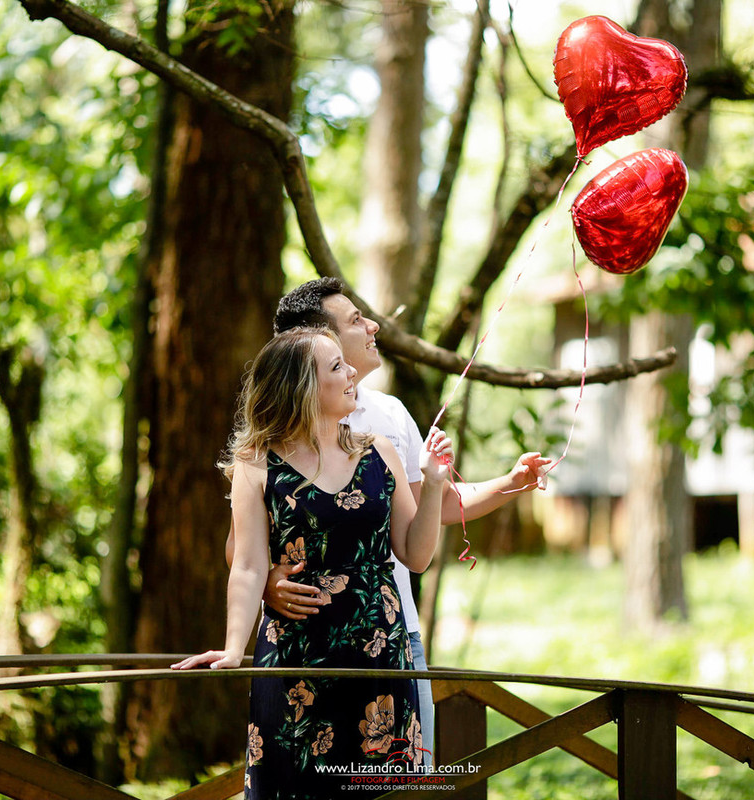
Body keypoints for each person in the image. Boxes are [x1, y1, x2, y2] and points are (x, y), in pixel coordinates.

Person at [237, 277, 552, 757]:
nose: (373, 326)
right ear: (317, 341)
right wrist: (267, 583)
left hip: (389, 631)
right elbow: (243, 547)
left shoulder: (388, 416)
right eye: (355, 320)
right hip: (302, 640)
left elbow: (432, 505)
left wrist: (513, 481)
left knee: (400, 774)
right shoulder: (280, 428)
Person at [172, 327, 453, 798]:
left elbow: (416, 555)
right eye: (337, 366)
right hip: (292, 662)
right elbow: (247, 565)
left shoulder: (380, 451)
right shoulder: (256, 464)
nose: (352, 373)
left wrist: (434, 483)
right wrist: (233, 648)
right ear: (302, 387)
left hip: (379, 659)